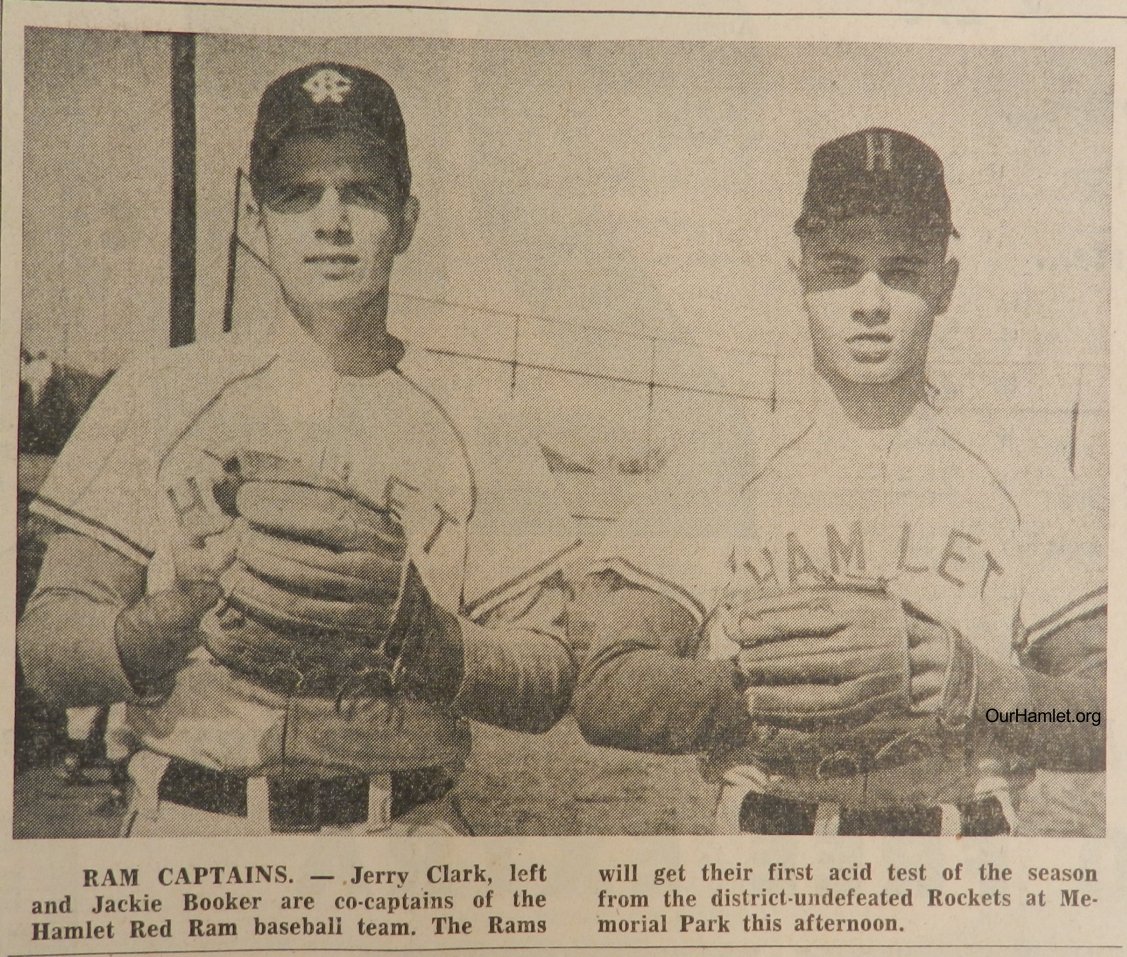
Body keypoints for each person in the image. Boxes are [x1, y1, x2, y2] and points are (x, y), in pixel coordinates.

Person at [19, 62, 581, 837]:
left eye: (362, 190)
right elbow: (47, 649)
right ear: (255, 218)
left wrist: (426, 637)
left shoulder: (477, 415)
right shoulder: (159, 390)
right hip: (195, 831)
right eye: (297, 194)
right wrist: (174, 613)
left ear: (407, 218)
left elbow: (548, 676)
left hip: (405, 836)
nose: (331, 220)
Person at [572, 128, 1106, 837]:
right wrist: (765, 691)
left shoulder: (1020, 474)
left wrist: (973, 685)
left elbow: (1099, 714)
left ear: (945, 283)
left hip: (962, 860)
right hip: (766, 852)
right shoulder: (724, 464)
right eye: (839, 266)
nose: (869, 300)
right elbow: (607, 692)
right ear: (798, 272)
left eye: (902, 268)